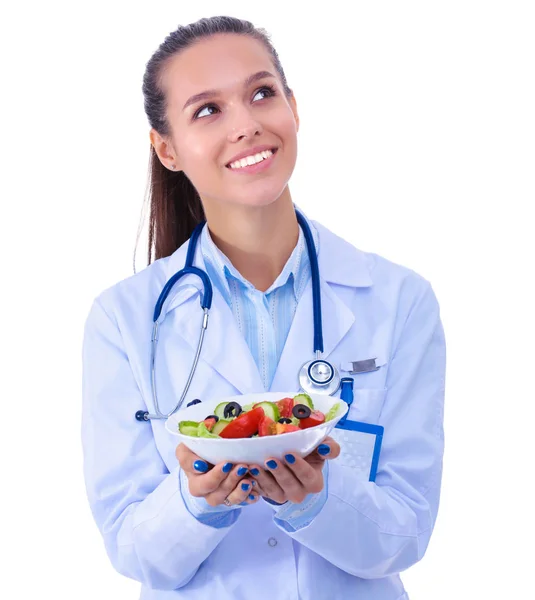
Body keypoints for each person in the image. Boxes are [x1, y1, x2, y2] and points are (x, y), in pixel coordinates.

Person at [81, 15, 446, 600]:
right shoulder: (124, 320)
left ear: (294, 108)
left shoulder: (398, 300)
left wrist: (318, 499)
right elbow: (130, 547)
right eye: (207, 110)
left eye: (261, 93)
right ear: (166, 148)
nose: (247, 125)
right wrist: (193, 503)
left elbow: (405, 534)